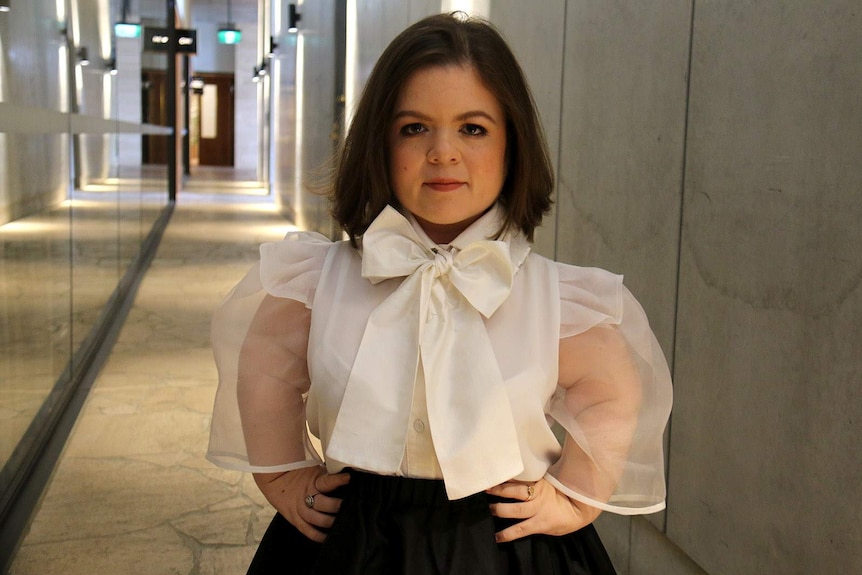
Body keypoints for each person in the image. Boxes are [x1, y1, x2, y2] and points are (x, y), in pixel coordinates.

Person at [207, 12, 673, 575]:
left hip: (505, 545)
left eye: (473, 128)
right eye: (413, 128)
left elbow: (615, 393)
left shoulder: (556, 298)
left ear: (511, 144)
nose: (443, 152)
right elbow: (265, 372)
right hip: (351, 540)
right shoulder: (315, 281)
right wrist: (280, 474)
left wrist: (576, 494)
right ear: (378, 142)